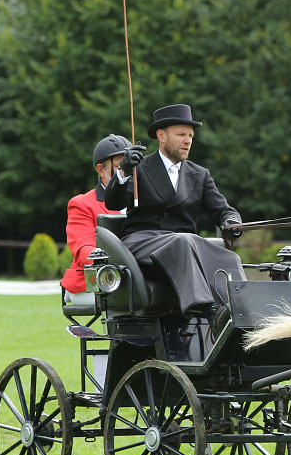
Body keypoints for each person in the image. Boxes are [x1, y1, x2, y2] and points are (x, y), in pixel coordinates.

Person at [104, 103, 243, 331]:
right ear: (161, 136)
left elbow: (222, 209)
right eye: (181, 135)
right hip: (142, 243)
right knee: (185, 240)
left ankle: (239, 310)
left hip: (183, 248)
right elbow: (113, 202)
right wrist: (122, 173)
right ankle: (207, 309)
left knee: (229, 258)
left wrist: (231, 220)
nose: (187, 140)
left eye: (190, 135)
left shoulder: (199, 174)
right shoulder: (140, 168)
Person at [60, 134, 128, 306]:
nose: (127, 174)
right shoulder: (81, 204)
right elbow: (84, 250)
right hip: (94, 281)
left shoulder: (142, 201)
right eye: (121, 167)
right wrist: (124, 265)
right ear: (101, 169)